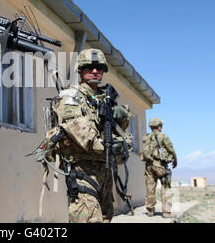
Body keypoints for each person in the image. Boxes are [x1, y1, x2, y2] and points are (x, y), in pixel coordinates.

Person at [42, 48, 133, 223]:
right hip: (83, 171)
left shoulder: (106, 100)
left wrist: (122, 117)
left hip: (105, 171)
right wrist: (109, 146)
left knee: (106, 218)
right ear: (80, 70)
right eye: (89, 67)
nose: (94, 71)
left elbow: (121, 131)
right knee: (87, 218)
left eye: (99, 67)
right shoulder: (70, 97)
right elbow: (82, 134)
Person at [142, 118, 177, 218]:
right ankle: (166, 212)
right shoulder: (163, 136)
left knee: (150, 188)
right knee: (165, 187)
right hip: (160, 165)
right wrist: (175, 159)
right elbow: (171, 149)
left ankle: (150, 210)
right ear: (159, 126)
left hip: (149, 165)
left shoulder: (147, 137)